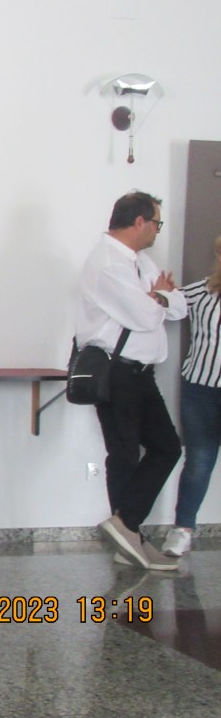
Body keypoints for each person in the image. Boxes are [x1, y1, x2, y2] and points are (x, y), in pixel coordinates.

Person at [78, 191, 186, 570]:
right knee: (123, 455)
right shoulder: (109, 264)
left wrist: (160, 298)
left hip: (141, 373)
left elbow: (179, 306)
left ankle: (126, 530)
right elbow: (145, 316)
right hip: (117, 371)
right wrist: (159, 298)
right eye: (157, 223)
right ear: (140, 222)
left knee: (167, 447)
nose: (158, 230)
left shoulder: (139, 261)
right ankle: (129, 537)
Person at [162, 234, 221, 556]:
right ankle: (182, 529)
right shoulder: (201, 291)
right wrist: (164, 295)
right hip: (201, 388)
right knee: (199, 460)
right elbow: (168, 308)